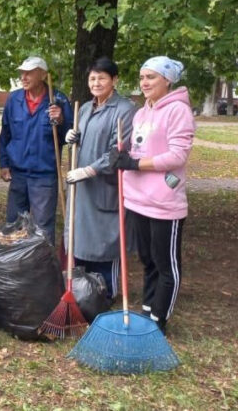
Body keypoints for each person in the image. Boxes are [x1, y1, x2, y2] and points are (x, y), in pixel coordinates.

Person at [109, 56, 194, 334]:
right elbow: (140, 149)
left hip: (164, 201)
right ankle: (147, 311)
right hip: (138, 198)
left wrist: (137, 164)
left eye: (151, 77)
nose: (144, 82)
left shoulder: (178, 110)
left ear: (167, 80)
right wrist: (124, 155)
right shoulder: (142, 111)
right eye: (142, 77)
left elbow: (177, 155)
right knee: (147, 260)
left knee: (165, 264)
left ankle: (159, 319)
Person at [63, 57, 136, 300]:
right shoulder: (84, 108)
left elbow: (119, 150)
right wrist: (73, 137)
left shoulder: (124, 110)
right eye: (92, 78)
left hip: (105, 187)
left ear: (114, 80)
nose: (96, 82)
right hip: (81, 190)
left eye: (102, 78)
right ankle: (85, 292)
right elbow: (84, 141)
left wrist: (90, 170)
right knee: (80, 238)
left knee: (105, 242)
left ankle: (108, 292)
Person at [0, 56, 72, 246]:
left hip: (44, 174)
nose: (24, 76)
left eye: (29, 72)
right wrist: (4, 163)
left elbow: (69, 137)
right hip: (18, 172)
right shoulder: (14, 99)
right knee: (14, 223)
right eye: (22, 72)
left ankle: (42, 267)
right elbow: (5, 134)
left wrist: (61, 120)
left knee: (42, 226)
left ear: (43, 75)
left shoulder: (58, 99)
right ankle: (15, 265)